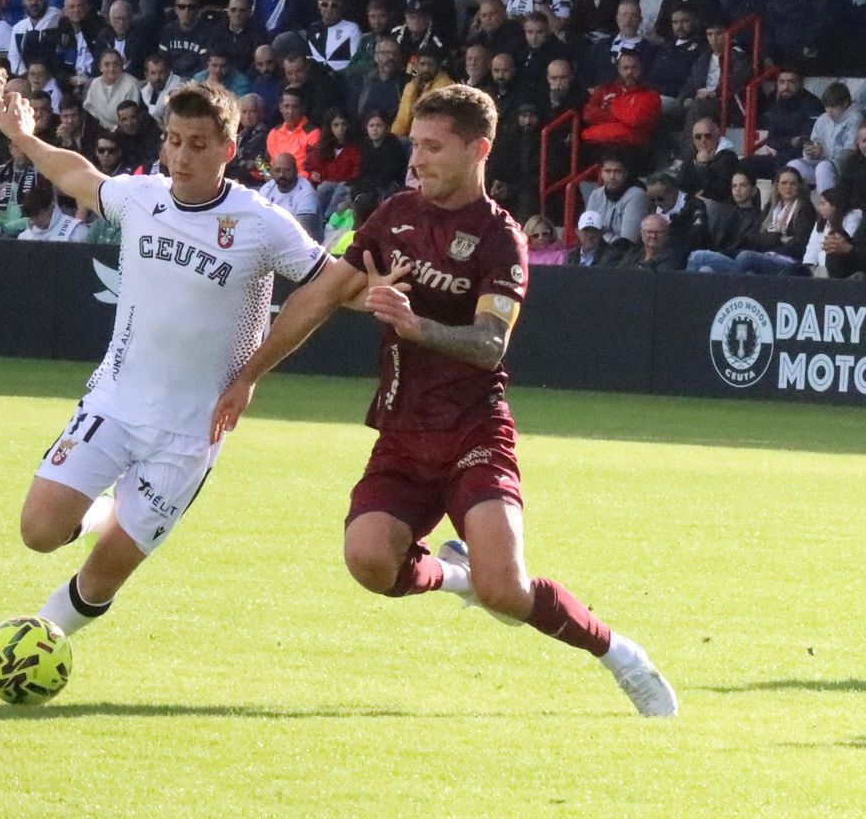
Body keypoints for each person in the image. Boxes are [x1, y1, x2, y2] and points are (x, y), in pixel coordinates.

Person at [211, 84, 677, 718]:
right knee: (370, 563)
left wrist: (415, 324)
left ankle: (619, 653)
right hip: (403, 433)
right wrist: (248, 375)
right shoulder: (395, 217)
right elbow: (320, 296)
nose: (417, 160)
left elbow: (490, 345)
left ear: (477, 149)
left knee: (508, 592)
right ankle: (456, 576)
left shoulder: (500, 239)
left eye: (432, 147)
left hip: (473, 433)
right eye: (414, 145)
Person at [0, 81, 330, 640]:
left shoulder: (261, 223)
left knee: (100, 580)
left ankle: (38, 642)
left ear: (228, 147)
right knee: (39, 530)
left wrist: (249, 376)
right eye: (173, 140)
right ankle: (105, 511)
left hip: (191, 431)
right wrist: (24, 137)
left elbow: (329, 285)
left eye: (197, 144)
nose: (180, 156)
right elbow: (78, 175)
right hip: (116, 402)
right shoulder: (141, 196)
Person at [259, 151, 321, 238]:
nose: (282, 175)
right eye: (277, 170)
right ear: (271, 172)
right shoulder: (266, 189)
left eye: (287, 170)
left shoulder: (306, 193)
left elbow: (303, 232)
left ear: (296, 171)